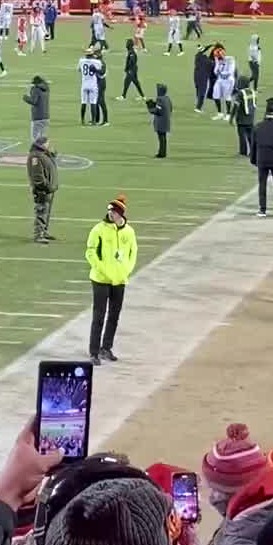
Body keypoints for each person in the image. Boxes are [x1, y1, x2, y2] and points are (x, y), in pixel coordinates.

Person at [85, 194, 137, 364]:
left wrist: (126, 272)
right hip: (100, 279)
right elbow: (90, 252)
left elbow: (132, 253)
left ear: (120, 214)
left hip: (119, 280)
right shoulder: (98, 230)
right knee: (98, 316)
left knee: (114, 316)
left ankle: (106, 348)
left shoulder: (129, 232)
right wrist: (101, 268)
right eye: (109, 212)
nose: (111, 215)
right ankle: (93, 352)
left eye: (114, 212)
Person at [27, 135, 58, 244]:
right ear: (42, 144)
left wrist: (53, 153)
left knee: (46, 213)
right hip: (42, 190)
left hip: (48, 189)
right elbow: (37, 176)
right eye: (47, 143)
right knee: (41, 212)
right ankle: (38, 235)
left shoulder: (43, 154)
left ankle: (44, 232)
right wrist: (46, 186)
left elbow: (52, 162)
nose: (49, 145)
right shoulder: (35, 156)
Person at [229, 75, 257, 157]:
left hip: (241, 119)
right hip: (251, 118)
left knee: (242, 136)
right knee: (250, 136)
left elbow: (236, 106)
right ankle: (253, 152)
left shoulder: (240, 93)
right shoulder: (253, 92)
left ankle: (243, 152)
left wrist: (231, 117)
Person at [23, 74, 50, 142]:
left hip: (37, 117)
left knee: (35, 139)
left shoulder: (35, 89)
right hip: (46, 117)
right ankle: (44, 152)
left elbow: (34, 101)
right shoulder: (46, 89)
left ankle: (36, 152)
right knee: (43, 139)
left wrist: (25, 97)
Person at [77, 50, 101, 125]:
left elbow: (79, 70)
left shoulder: (81, 61)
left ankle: (82, 120)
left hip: (84, 84)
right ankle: (93, 120)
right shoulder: (97, 62)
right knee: (93, 102)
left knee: (83, 102)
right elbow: (100, 71)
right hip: (93, 84)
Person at [149, 82, 172, 157]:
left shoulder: (160, 99)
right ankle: (163, 152)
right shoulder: (167, 98)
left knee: (161, 138)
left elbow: (158, 111)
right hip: (166, 121)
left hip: (161, 122)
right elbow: (169, 108)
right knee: (163, 138)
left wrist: (150, 108)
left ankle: (161, 153)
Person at [193, 43, 213, 113]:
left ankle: (197, 103)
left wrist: (210, 45)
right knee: (202, 93)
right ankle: (198, 108)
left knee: (198, 90)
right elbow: (212, 66)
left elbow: (203, 50)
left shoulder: (197, 56)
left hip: (196, 77)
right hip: (203, 78)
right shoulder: (208, 61)